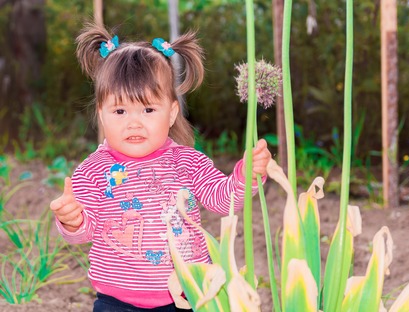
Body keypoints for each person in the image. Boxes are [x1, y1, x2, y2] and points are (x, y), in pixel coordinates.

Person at [50, 22, 271, 312]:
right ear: (101, 115)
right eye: (119, 111)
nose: (134, 122)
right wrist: (71, 219)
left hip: (185, 296)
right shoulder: (93, 171)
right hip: (117, 302)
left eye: (148, 109)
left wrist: (247, 176)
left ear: (171, 113)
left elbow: (224, 200)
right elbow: (84, 231)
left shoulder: (188, 163)